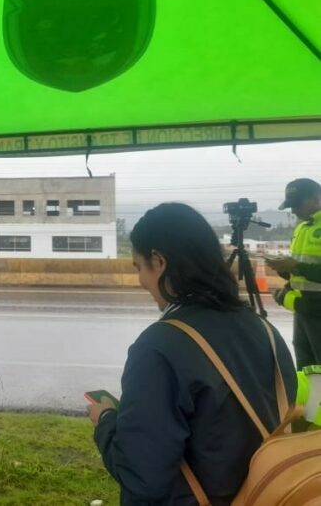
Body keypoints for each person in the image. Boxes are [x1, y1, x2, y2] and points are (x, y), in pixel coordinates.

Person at [87, 203, 297, 504]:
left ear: (158, 262)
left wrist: (106, 420)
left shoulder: (161, 345)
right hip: (263, 494)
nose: (140, 280)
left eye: (138, 267)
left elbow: (142, 474)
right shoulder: (263, 329)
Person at [265, 178, 321, 369]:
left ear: (316, 199)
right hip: (304, 311)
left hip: (316, 311)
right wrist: (286, 272)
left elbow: (303, 267)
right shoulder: (302, 228)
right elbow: (305, 272)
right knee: (306, 371)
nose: (293, 211)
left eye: (297, 205)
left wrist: (296, 267)